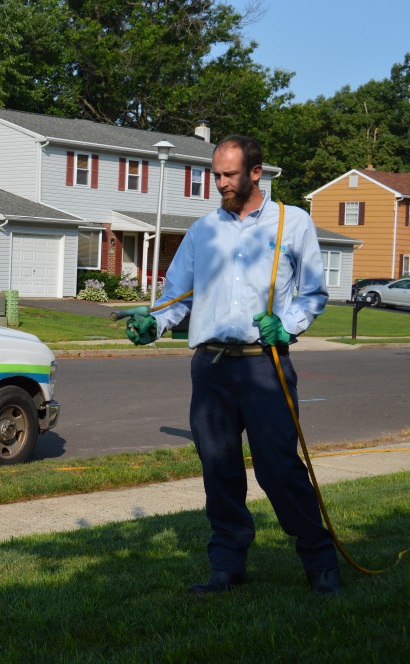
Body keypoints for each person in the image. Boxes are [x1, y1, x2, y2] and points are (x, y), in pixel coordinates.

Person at [124, 135, 341, 595]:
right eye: (215, 174)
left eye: (228, 175)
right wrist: (155, 324)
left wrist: (289, 324)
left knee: (278, 469)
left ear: (256, 173)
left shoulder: (292, 223)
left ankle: (320, 561)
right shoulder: (203, 231)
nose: (219, 183)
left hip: (265, 367)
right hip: (211, 369)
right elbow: (175, 296)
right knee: (219, 469)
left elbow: (314, 293)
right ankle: (227, 565)